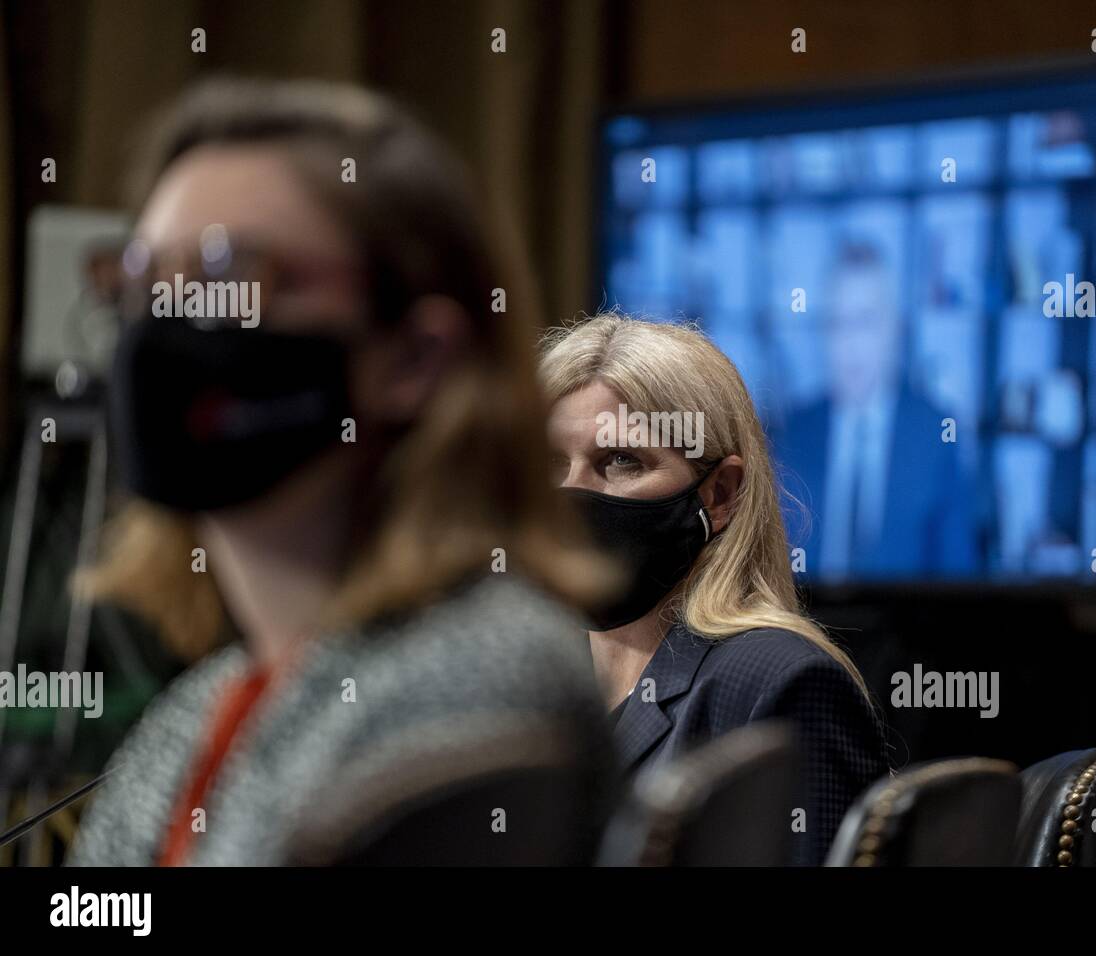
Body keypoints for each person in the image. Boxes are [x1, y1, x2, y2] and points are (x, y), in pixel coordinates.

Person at [69, 78, 612, 866]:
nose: (166, 322)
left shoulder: (474, 683)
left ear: (415, 358)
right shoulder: (204, 709)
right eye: (143, 279)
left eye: (231, 276)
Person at [541, 313, 891, 866]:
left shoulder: (779, 684)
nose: (571, 494)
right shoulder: (528, 685)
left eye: (621, 460)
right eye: (549, 463)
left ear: (721, 493)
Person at [772, 242, 977, 581]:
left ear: (893, 330)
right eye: (837, 323)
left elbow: (957, 579)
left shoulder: (936, 433)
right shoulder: (792, 429)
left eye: (865, 322)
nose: (849, 343)